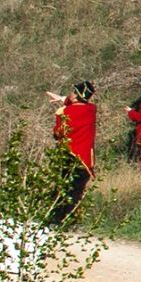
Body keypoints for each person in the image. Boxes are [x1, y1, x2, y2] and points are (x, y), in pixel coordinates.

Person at [46, 81, 97, 220]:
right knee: (76, 191)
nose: (71, 93)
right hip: (85, 159)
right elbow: (78, 103)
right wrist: (63, 99)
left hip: (68, 155)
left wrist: (61, 110)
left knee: (62, 189)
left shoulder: (67, 112)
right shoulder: (91, 109)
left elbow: (58, 133)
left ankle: (56, 219)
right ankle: (69, 220)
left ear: (75, 96)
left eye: (73, 92)